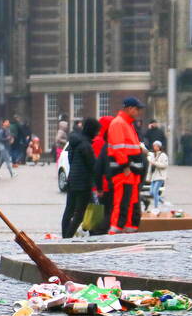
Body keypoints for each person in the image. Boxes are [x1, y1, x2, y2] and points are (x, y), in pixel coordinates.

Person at [106, 97, 145, 234]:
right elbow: (118, 148)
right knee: (122, 201)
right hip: (124, 171)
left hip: (131, 171)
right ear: (129, 108)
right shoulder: (119, 123)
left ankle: (129, 227)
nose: (139, 112)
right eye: (137, 109)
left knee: (131, 201)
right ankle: (116, 229)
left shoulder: (127, 124)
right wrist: (125, 166)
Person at [61, 117, 100, 238]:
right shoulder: (86, 145)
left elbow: (71, 160)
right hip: (83, 183)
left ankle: (66, 236)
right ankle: (69, 238)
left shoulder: (75, 142)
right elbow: (92, 165)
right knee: (84, 213)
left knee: (69, 211)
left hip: (73, 180)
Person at [148, 140, 168, 213]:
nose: (154, 147)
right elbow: (151, 167)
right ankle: (163, 202)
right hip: (154, 176)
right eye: (154, 146)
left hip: (160, 176)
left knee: (155, 191)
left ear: (159, 147)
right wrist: (149, 177)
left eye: (156, 146)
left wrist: (155, 163)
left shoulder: (163, 155)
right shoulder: (153, 155)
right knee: (151, 192)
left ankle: (156, 207)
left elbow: (164, 165)